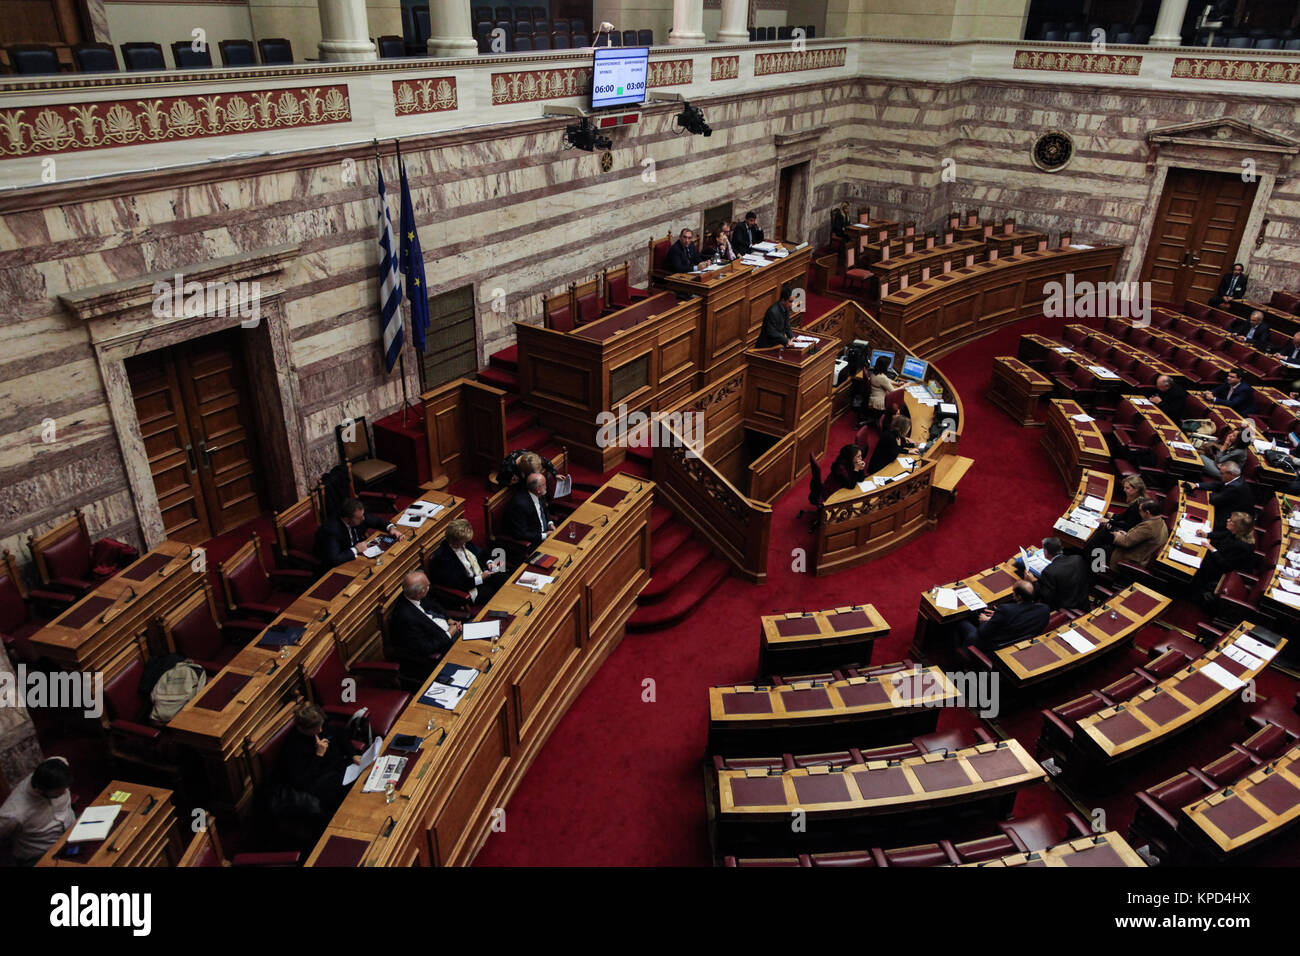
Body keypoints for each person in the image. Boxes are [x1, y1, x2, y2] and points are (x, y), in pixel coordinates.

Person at [273, 702, 361, 841]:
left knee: (361, 778)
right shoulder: (293, 747)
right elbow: (303, 780)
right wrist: (318, 756)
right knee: (350, 792)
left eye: (321, 725)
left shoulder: (320, 725)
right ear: (301, 728)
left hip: (337, 768)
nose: (320, 730)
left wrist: (353, 754)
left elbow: (339, 736)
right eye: (315, 728)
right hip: (317, 783)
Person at [0, 757, 75, 866]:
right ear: (39, 791)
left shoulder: (58, 763)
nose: (65, 793)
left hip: (71, 831)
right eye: (58, 794)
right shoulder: (13, 813)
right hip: (40, 855)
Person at [389, 570, 460, 683]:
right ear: (420, 592)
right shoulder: (405, 617)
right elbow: (425, 648)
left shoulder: (414, 596)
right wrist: (449, 634)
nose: (429, 587)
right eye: (427, 586)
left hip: (448, 631)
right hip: (441, 650)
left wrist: (449, 619)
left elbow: (435, 606)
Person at [955, 581, 1049, 654]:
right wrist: (997, 617)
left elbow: (983, 632)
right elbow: (1019, 620)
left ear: (1019, 597)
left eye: (1013, 592)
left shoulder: (1006, 609)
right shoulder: (1044, 609)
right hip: (1020, 641)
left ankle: (960, 655)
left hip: (995, 646)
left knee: (961, 622)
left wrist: (985, 621)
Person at [429, 519, 504, 608]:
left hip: (483, 575)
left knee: (504, 579)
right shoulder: (443, 558)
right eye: (463, 542)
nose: (465, 544)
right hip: (470, 587)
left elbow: (481, 554)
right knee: (497, 596)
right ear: (454, 541)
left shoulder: (464, 542)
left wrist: (489, 562)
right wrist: (480, 578)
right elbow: (457, 583)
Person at [1190, 511, 1257, 598]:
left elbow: (1227, 566)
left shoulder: (1242, 547)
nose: (1227, 520)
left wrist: (1213, 549)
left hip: (1222, 574)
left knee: (1198, 559)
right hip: (1218, 560)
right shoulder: (1235, 533)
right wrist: (1206, 535)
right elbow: (1221, 535)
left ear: (1238, 527)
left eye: (1231, 521)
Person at [314, 497, 395, 568]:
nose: (363, 518)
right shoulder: (331, 531)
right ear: (347, 519)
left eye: (363, 515)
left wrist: (391, 528)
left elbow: (377, 521)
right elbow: (333, 560)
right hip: (341, 565)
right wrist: (356, 549)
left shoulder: (358, 515)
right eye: (360, 518)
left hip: (359, 556)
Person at [1182, 460, 1253, 531]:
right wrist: (1196, 485)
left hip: (1229, 520)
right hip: (1224, 508)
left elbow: (1214, 500)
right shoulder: (1236, 479)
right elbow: (1217, 485)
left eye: (1222, 473)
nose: (1220, 475)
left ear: (1231, 474)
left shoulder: (1235, 487)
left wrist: (1212, 493)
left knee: (1194, 516)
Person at [1026, 537, 1090, 612]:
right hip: (1085, 604)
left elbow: (1046, 597)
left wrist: (1033, 581)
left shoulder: (1049, 571)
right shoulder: (1078, 559)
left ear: (1046, 552)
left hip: (1066, 611)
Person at [1109, 498, 1169, 569]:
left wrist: (1116, 534)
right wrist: (1126, 534)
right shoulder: (1161, 522)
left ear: (1147, 513)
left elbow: (1125, 542)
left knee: (1101, 538)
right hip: (1138, 552)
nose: (1139, 512)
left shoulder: (1148, 527)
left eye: (1140, 511)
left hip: (1127, 559)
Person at [1093, 475, 1147, 550]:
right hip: (1126, 527)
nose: (1124, 490)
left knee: (1100, 535)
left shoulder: (1137, 506)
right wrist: (1113, 517)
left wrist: (1110, 521)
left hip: (1128, 534)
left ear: (1136, 490)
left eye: (1127, 488)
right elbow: (1125, 516)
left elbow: (1128, 525)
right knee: (1107, 518)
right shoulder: (1137, 499)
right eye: (1124, 487)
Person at [503, 472, 554, 548]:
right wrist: (545, 535)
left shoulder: (540, 494)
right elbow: (521, 533)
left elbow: (545, 510)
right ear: (538, 489)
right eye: (544, 484)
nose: (546, 486)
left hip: (548, 533)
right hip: (534, 542)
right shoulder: (520, 505)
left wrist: (550, 523)